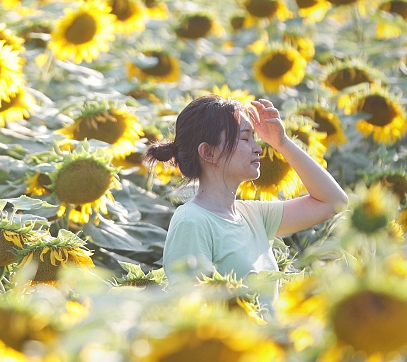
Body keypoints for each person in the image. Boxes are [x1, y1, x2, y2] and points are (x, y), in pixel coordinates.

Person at [145, 94, 348, 284]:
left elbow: (333, 202)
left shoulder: (253, 216)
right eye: (245, 138)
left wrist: (282, 143)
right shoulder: (192, 221)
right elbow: (189, 307)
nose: (258, 148)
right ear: (209, 152)